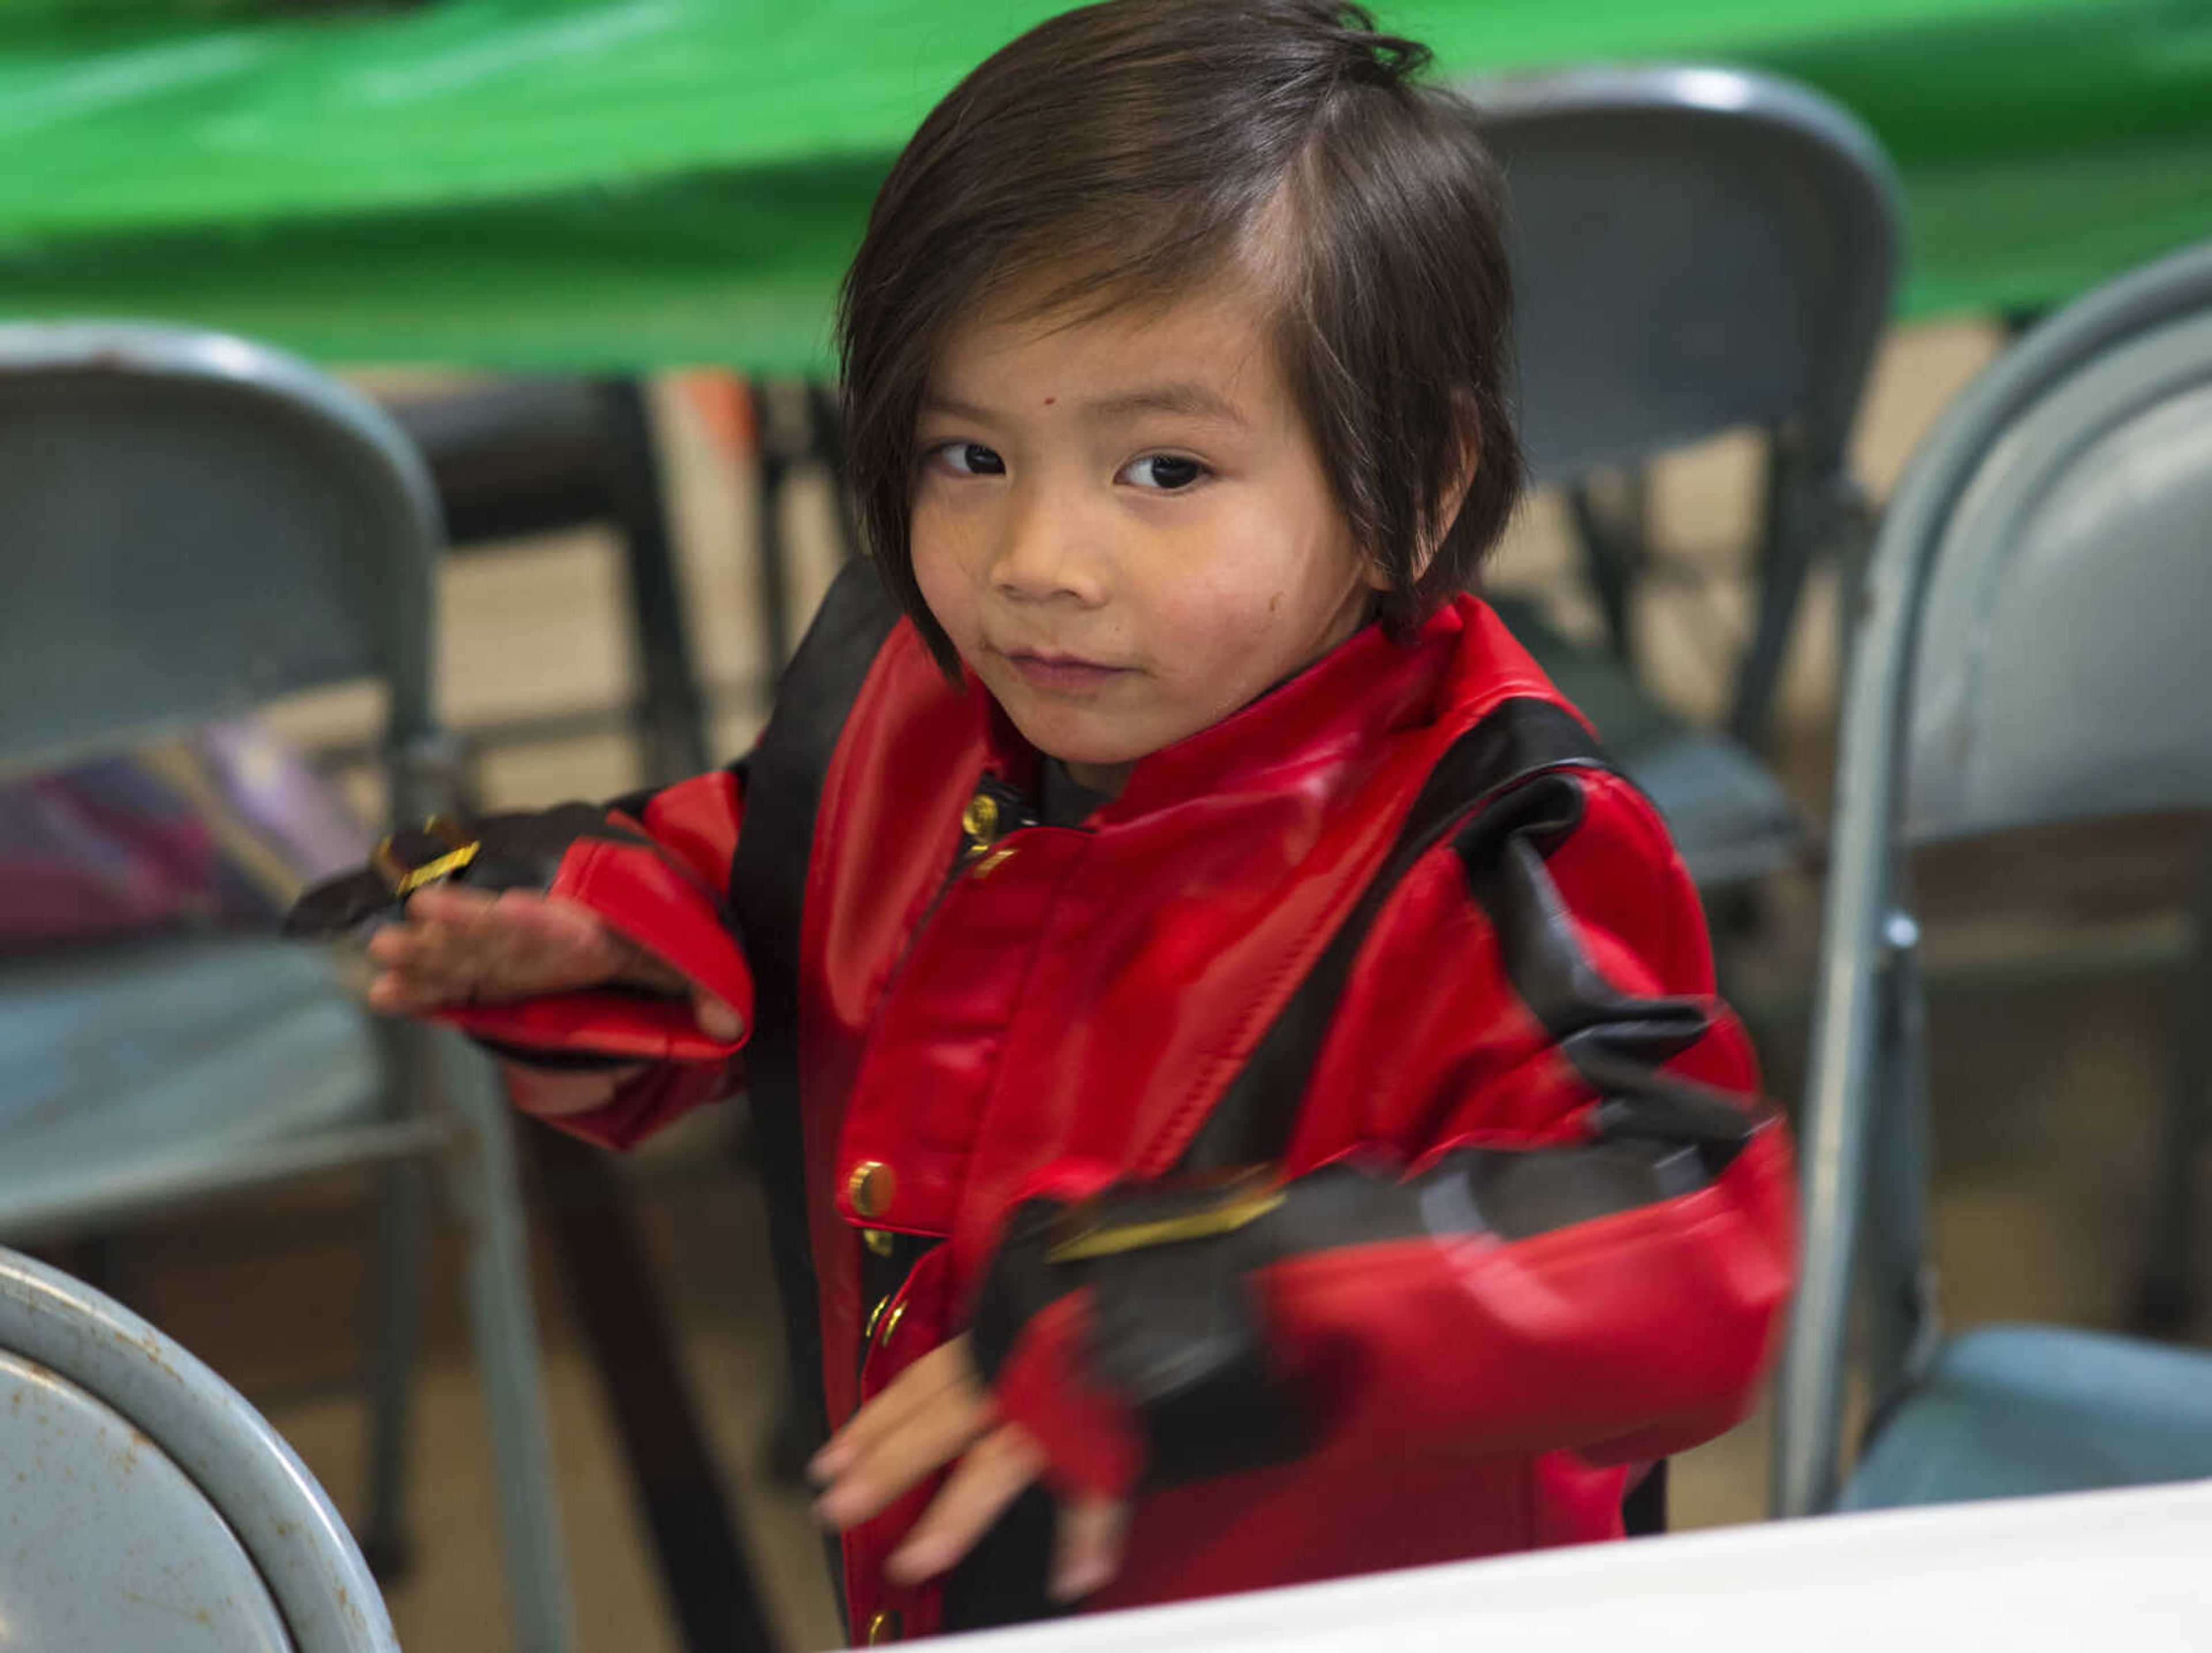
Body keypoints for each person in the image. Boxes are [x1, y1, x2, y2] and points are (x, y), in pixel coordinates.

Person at [312, 1, 1796, 1640]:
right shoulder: (923, 694)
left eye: (1163, 470)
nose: (1039, 561)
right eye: (969, 454)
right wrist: (599, 925)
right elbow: (768, 874)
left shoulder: (1493, 843)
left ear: (1415, 488)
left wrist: (1212, 1305)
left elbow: (1686, 1232)